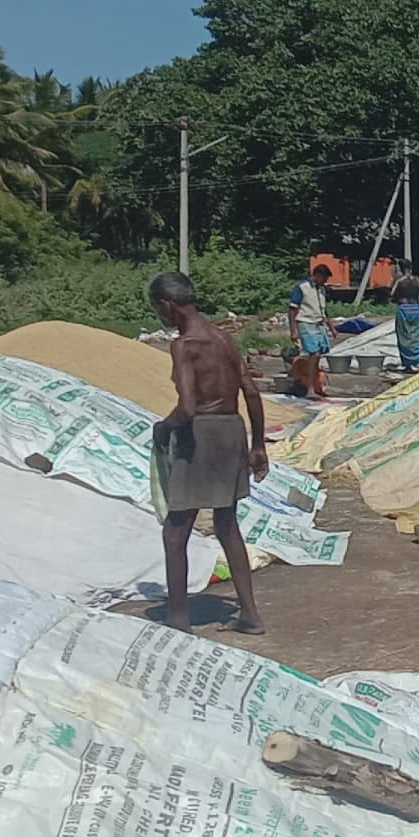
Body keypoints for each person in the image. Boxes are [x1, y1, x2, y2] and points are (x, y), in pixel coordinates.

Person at [147, 271, 270, 635]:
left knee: (176, 531)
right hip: (231, 430)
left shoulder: (185, 345)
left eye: (158, 310)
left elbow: (187, 407)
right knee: (226, 524)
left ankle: (178, 618)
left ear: (168, 307)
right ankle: (249, 614)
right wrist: (258, 443)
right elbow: (250, 391)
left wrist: (163, 428)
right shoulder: (223, 337)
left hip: (199, 434)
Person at [288, 263, 334, 399]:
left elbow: (323, 309)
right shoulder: (302, 287)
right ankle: (310, 389)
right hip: (305, 322)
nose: (325, 281)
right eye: (324, 278)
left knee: (320, 354)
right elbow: (292, 309)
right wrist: (293, 331)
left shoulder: (321, 290)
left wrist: (331, 327)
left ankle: (315, 385)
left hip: (318, 323)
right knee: (314, 353)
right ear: (317, 276)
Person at [391, 258, 419, 372]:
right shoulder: (418, 281)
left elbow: (391, 295)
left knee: (403, 337)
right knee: (417, 336)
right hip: (415, 309)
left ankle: (408, 364)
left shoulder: (399, 281)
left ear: (400, 268)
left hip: (403, 309)